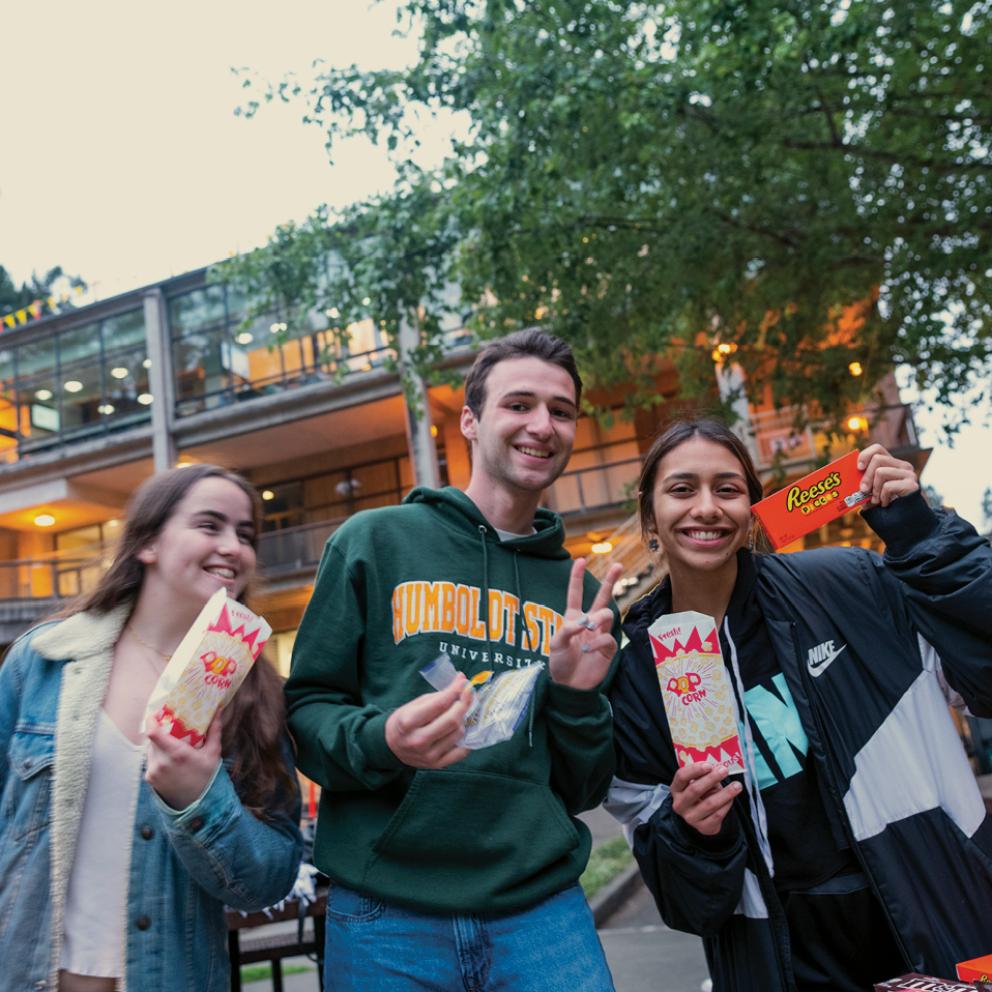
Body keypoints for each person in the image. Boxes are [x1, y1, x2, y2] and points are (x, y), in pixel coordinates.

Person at [286, 328, 624, 992]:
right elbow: (306, 714)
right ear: (469, 420)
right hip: (387, 912)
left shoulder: (577, 593)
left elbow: (584, 789)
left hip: (542, 911)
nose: (543, 425)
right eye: (519, 404)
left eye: (561, 410)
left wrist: (577, 697)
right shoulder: (372, 543)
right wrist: (382, 740)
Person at [606, 417, 992, 991]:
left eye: (728, 489)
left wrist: (924, 535)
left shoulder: (848, 582)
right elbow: (689, 906)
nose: (707, 508)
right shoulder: (636, 673)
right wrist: (690, 832)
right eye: (683, 489)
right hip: (773, 957)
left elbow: (982, 671)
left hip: (928, 911)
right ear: (650, 514)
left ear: (753, 508)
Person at [0, 464, 303, 992]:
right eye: (209, 526)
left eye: (245, 533)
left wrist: (199, 800)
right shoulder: (43, 661)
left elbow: (270, 878)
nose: (233, 546)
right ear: (148, 543)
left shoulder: (254, 695)